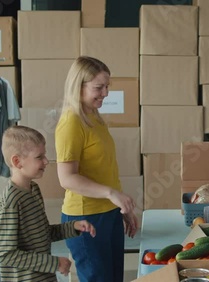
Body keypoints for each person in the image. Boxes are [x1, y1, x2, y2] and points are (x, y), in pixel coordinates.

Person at [55, 56, 137, 282]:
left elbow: (106, 170)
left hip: (108, 213)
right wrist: (112, 194)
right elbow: (67, 178)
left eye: (107, 86)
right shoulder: (71, 122)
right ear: (78, 86)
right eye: (98, 87)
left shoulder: (94, 117)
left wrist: (122, 207)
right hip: (85, 217)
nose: (105, 93)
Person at [0, 125, 96, 281]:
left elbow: (42, 234)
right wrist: (54, 263)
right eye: (39, 157)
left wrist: (73, 227)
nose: (46, 161)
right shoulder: (12, 202)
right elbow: (6, 254)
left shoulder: (33, 190)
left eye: (45, 155)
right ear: (17, 161)